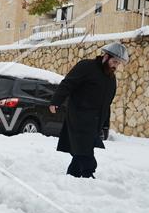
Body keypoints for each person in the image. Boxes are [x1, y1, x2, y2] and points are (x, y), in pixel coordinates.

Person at [49, 42, 129, 179]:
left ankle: (72, 176)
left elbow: (106, 104)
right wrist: (56, 101)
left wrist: (105, 125)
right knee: (84, 150)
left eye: (118, 63)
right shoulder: (86, 66)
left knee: (83, 149)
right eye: (114, 61)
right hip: (78, 116)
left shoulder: (111, 78)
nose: (116, 65)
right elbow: (68, 83)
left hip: (94, 122)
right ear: (106, 57)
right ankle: (88, 173)